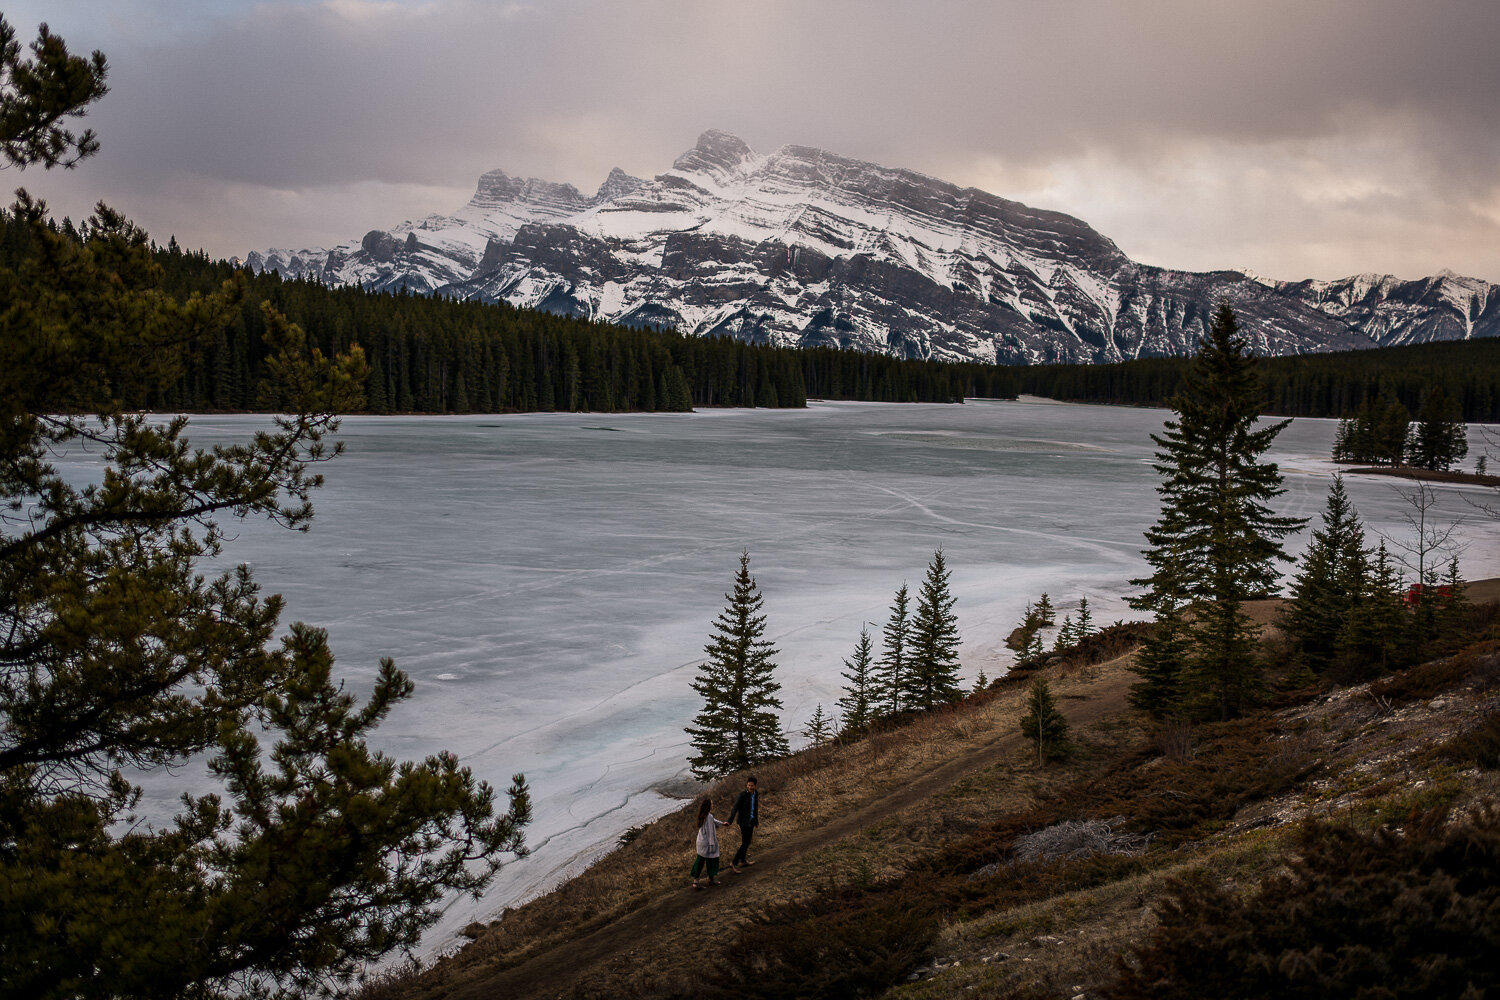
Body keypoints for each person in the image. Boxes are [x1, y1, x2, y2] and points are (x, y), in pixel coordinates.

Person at [690, 796, 727, 889]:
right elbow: (710, 832)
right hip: (707, 842)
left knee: (700, 861)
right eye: (712, 803)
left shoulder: (703, 815)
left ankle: (695, 882)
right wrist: (712, 844)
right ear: (709, 806)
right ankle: (711, 879)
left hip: (700, 842)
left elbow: (714, 821)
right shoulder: (709, 816)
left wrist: (722, 823)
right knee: (712, 859)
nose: (713, 805)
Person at [727, 776, 760, 872]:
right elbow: (735, 808)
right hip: (743, 822)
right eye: (748, 785)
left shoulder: (756, 794)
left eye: (752, 785)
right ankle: (734, 863)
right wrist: (730, 820)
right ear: (746, 785)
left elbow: (755, 808)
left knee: (747, 841)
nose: (750, 787)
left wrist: (756, 821)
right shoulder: (742, 795)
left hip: (751, 821)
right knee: (745, 842)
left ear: (755, 786)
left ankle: (743, 860)